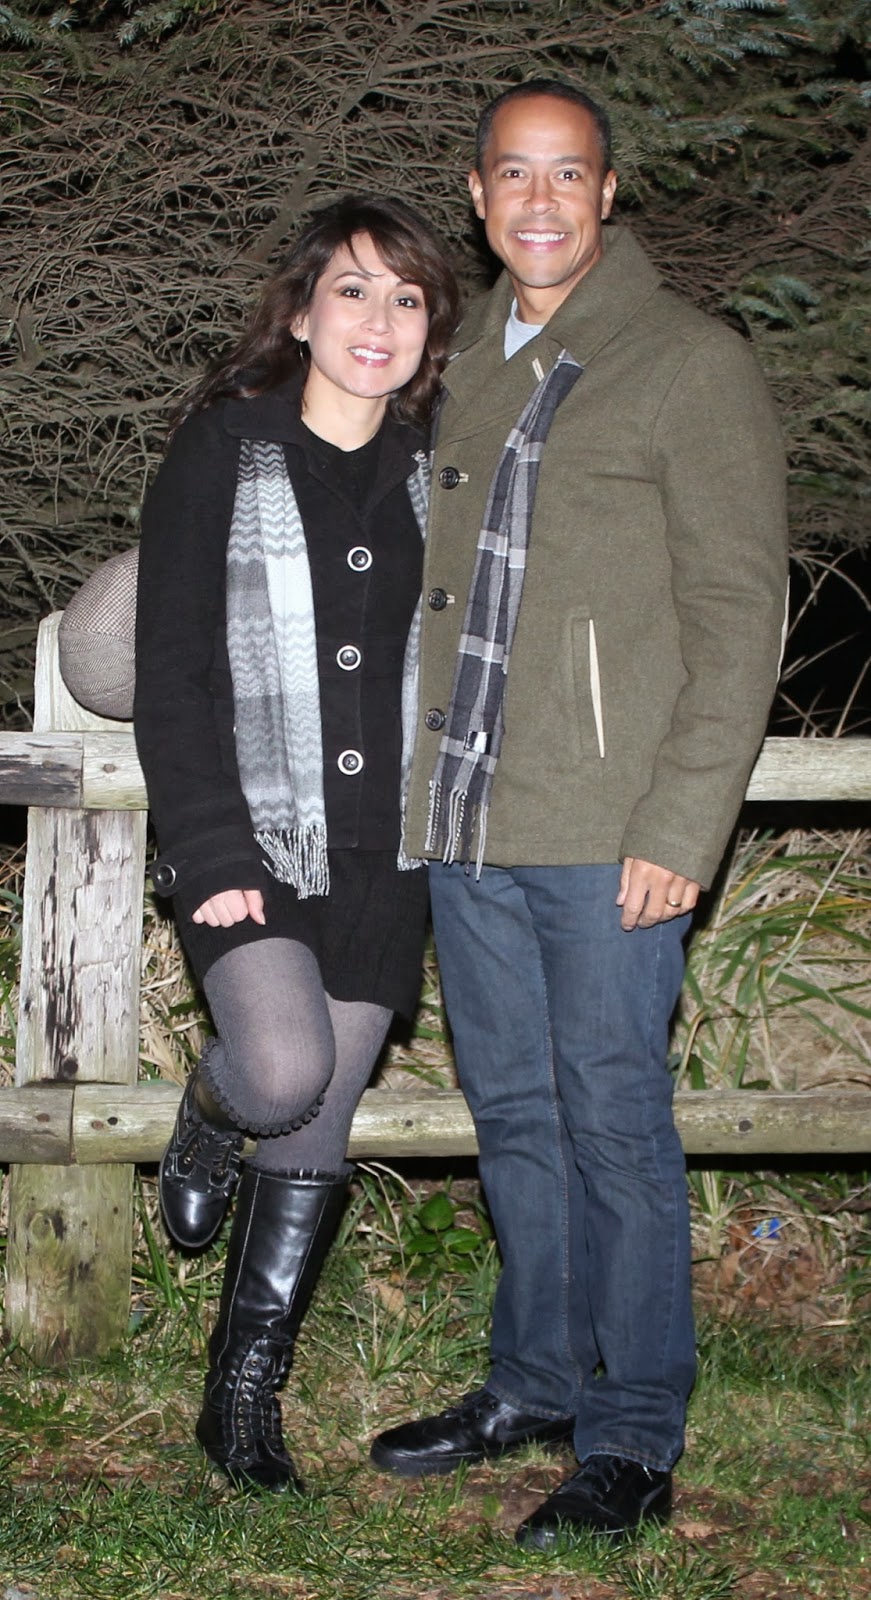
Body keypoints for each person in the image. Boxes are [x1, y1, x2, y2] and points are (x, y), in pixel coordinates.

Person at [369, 82, 789, 1548]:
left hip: (613, 827)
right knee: (515, 1118)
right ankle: (535, 1382)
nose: (539, 200)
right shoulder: (460, 358)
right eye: (514, 174)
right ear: (478, 194)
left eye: (569, 174)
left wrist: (683, 822)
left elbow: (739, 613)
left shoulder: (687, 361)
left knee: (614, 1124)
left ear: (608, 192)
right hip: (471, 816)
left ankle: (634, 1431)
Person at [132, 194, 459, 1493]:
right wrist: (212, 855)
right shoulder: (226, 450)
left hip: (389, 852)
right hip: (252, 836)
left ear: (430, 330)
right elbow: (171, 673)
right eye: (353, 290)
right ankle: (210, 1114)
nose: (378, 319)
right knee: (278, 1074)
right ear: (304, 312)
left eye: (407, 297)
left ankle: (241, 1396)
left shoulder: (443, 470)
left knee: (320, 1119)